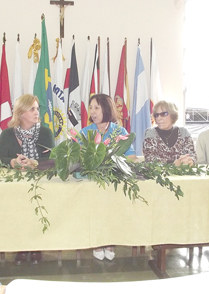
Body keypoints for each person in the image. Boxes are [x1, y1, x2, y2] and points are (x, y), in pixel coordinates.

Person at [0, 94, 55, 265]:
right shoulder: (7, 134)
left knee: (36, 206)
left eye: (38, 109)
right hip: (14, 185)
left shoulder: (45, 133)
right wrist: (13, 162)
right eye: (32, 109)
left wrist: (35, 163)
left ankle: (36, 246)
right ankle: (21, 246)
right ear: (21, 113)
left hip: (40, 183)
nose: (37, 113)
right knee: (17, 208)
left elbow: (53, 161)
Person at [80, 94, 137, 261]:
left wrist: (113, 162)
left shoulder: (119, 131)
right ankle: (97, 242)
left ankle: (110, 241)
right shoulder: (85, 132)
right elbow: (79, 159)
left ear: (106, 109)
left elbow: (132, 158)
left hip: (114, 183)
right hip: (92, 183)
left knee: (113, 203)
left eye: (96, 107)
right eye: (91, 108)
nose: (92, 112)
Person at [143, 100, 196, 166]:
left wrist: (190, 161)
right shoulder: (150, 132)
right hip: (158, 175)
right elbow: (149, 159)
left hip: (183, 174)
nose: (159, 118)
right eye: (156, 115)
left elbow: (192, 155)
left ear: (173, 115)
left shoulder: (183, 132)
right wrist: (173, 163)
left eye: (163, 114)